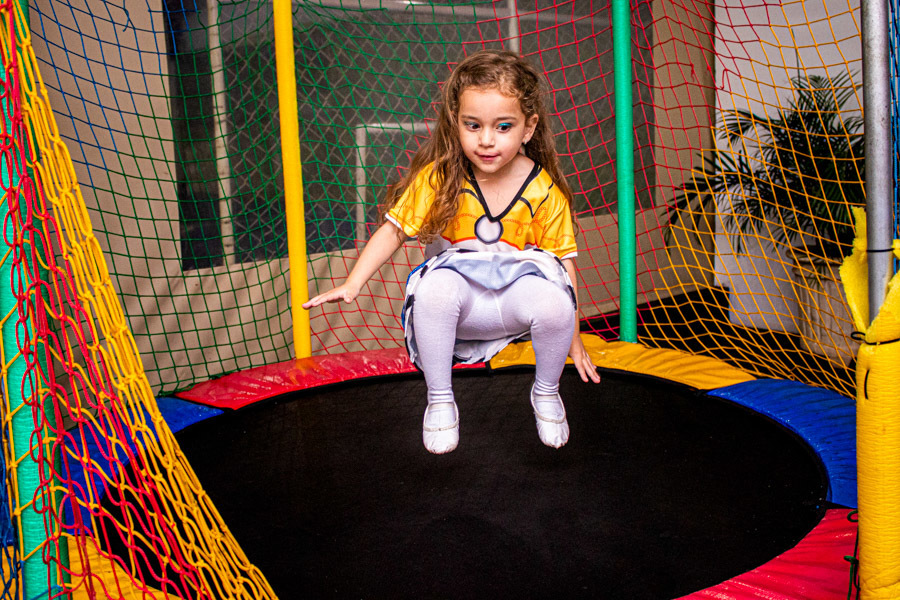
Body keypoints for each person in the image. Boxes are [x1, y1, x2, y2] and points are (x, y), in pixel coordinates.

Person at [303, 49, 601, 454]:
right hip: (461, 307)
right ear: (456, 123)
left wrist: (574, 338)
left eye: (503, 126)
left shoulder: (543, 187)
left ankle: (546, 392)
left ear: (528, 128)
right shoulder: (441, 177)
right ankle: (441, 400)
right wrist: (353, 283)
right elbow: (393, 231)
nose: (486, 140)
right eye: (473, 125)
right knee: (435, 286)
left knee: (555, 303)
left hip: (512, 302)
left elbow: (563, 265)